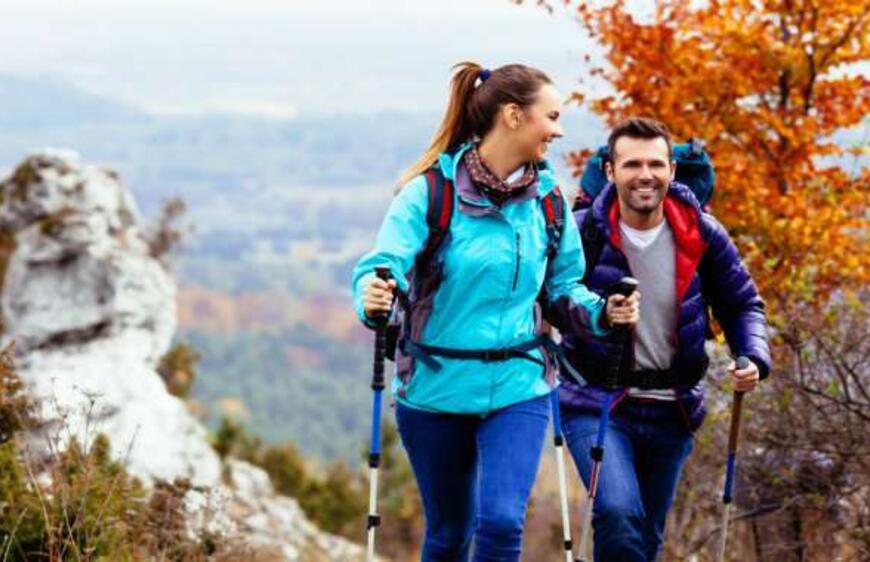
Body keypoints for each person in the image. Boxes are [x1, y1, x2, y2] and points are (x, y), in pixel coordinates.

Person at [351, 62, 639, 562]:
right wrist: (373, 295)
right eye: (550, 115)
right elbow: (383, 266)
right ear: (512, 115)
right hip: (435, 388)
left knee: (503, 524)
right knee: (449, 532)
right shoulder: (430, 194)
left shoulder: (548, 201)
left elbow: (563, 288)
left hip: (518, 385)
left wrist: (603, 312)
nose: (559, 128)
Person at [558, 116, 772, 561]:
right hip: (597, 400)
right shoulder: (583, 233)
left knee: (647, 536)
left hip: (672, 406)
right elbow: (552, 301)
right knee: (617, 513)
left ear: (672, 171)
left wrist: (751, 355)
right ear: (611, 171)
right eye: (632, 164)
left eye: (656, 164)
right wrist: (597, 315)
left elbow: (742, 304)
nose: (645, 175)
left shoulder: (701, 233)